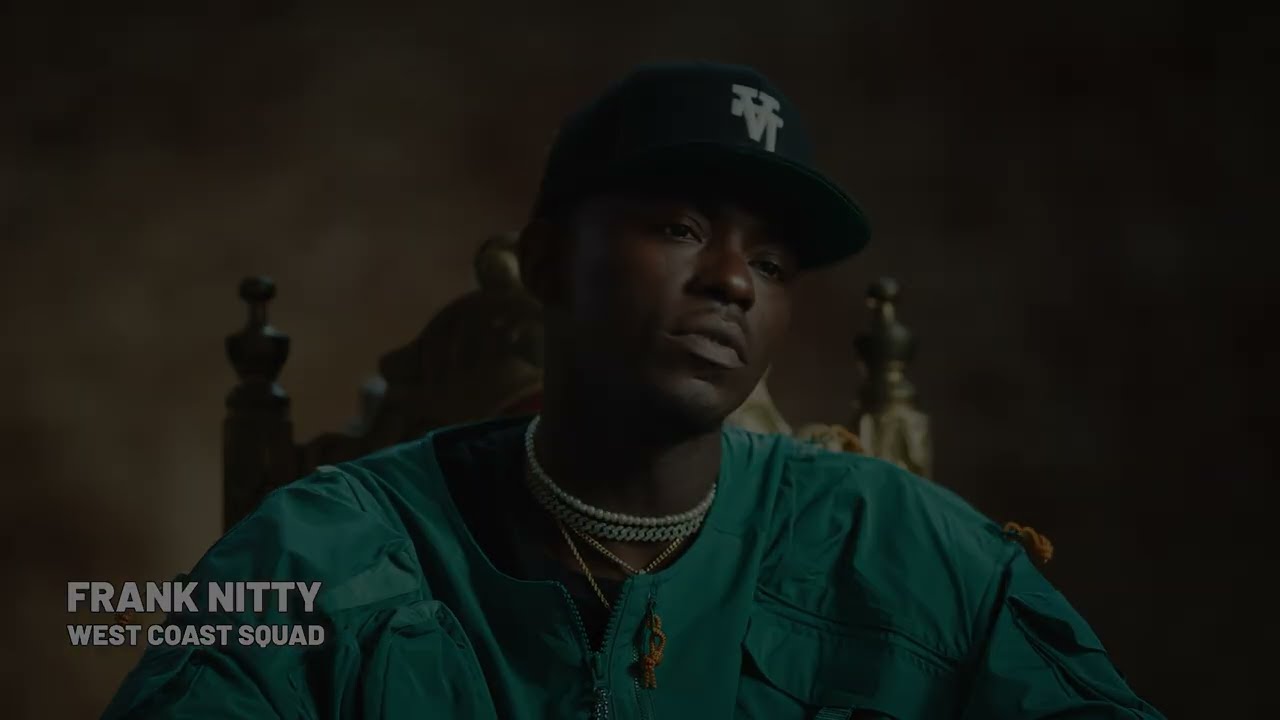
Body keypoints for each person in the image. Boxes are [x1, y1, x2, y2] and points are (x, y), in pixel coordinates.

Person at [103, 62, 1164, 719]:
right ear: (547, 263)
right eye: (680, 228)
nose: (733, 282)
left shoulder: (904, 549)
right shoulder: (318, 553)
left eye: (773, 263)